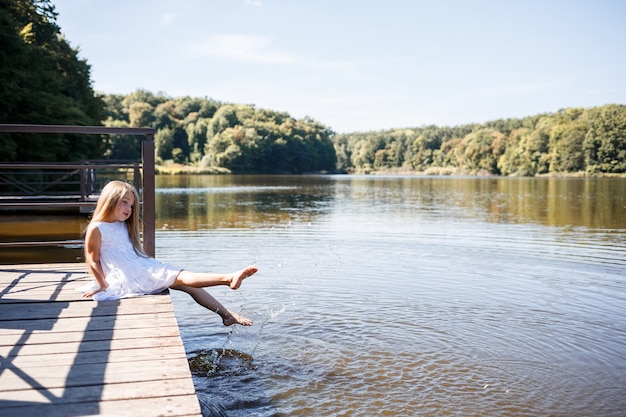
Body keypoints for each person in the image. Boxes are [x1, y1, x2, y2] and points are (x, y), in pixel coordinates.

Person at [81, 180, 258, 326]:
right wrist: (102, 285)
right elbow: (93, 260)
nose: (129, 209)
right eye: (124, 202)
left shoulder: (122, 225)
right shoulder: (97, 228)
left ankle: (226, 315)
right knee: (182, 277)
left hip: (141, 269)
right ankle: (227, 279)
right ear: (110, 200)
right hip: (131, 277)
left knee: (188, 285)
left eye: (132, 205)